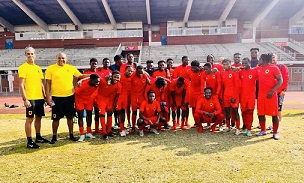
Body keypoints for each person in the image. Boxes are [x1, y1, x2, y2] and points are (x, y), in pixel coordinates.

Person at [45, 52, 89, 144]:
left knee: (70, 117)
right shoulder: (50, 69)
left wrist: (92, 75)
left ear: (66, 59)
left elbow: (81, 76)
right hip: (56, 98)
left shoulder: (71, 68)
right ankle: (54, 136)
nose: (61, 60)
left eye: (63, 58)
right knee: (56, 118)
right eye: (59, 58)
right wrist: (48, 97)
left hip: (69, 97)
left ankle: (71, 135)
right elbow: (48, 83)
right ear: (56, 59)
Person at [18, 46, 49, 148]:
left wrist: (45, 96)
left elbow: (41, 83)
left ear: (35, 55)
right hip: (30, 98)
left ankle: (38, 137)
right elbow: (21, 85)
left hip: (39, 97)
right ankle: (29, 141)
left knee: (39, 118)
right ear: (25, 55)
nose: (30, 55)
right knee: (30, 119)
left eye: (32, 54)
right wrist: (25, 99)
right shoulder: (23, 67)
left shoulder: (38, 68)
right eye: (28, 54)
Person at [256, 53, 282, 140]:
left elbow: (280, 80)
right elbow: (249, 71)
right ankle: (263, 130)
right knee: (261, 113)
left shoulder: (274, 68)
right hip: (261, 95)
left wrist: (273, 91)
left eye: (260, 59)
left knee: (274, 115)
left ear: (263, 59)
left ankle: (275, 132)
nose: (258, 60)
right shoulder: (258, 68)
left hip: (271, 95)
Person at [96, 70, 122, 140]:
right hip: (101, 98)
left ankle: (109, 131)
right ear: (111, 76)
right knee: (102, 114)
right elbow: (95, 78)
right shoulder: (105, 80)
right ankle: (104, 132)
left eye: (118, 77)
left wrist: (113, 107)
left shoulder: (119, 85)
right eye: (115, 77)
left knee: (110, 113)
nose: (116, 79)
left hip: (110, 100)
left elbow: (116, 97)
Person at [74, 74, 100, 141]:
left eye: (98, 82)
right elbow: (76, 94)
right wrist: (76, 105)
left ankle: (89, 132)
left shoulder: (97, 81)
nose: (97, 83)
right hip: (80, 99)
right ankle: (82, 134)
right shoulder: (82, 84)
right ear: (90, 80)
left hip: (89, 99)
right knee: (80, 116)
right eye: (96, 82)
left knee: (89, 115)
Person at [268, 53, 289, 132]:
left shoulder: (281, 67)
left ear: (276, 58)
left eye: (273, 57)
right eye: (270, 58)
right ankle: (274, 124)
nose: (272, 59)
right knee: (273, 109)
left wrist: (283, 90)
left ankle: (278, 125)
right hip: (272, 92)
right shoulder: (268, 67)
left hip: (279, 92)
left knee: (279, 109)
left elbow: (285, 78)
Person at [221, 59, 241, 135]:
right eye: (224, 64)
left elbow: (237, 86)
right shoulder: (222, 73)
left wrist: (235, 96)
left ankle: (238, 128)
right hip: (226, 94)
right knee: (227, 111)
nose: (225, 66)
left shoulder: (234, 71)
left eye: (226, 64)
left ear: (230, 64)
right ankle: (228, 127)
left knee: (235, 111)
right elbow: (222, 86)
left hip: (233, 95)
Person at [239, 58, 257, 137]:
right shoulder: (241, 72)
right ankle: (246, 127)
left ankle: (249, 129)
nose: (244, 64)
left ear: (250, 63)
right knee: (243, 112)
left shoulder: (254, 71)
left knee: (250, 112)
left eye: (246, 63)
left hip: (251, 96)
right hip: (243, 96)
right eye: (243, 63)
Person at [129, 65, 150, 134]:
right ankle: (133, 126)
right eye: (139, 72)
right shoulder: (133, 75)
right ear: (136, 71)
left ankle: (143, 126)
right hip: (134, 96)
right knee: (134, 112)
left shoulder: (145, 75)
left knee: (142, 112)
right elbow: (128, 78)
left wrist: (146, 75)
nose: (140, 74)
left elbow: (149, 80)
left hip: (142, 97)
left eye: (142, 72)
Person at [83, 58, 101, 134]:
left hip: (97, 97)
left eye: (95, 64)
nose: (94, 65)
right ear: (90, 64)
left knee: (97, 113)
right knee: (89, 113)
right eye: (93, 63)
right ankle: (88, 130)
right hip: (88, 97)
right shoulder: (86, 72)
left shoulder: (99, 72)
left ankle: (97, 128)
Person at [116, 65, 133, 136]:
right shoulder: (120, 76)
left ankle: (122, 128)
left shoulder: (133, 76)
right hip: (119, 97)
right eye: (128, 70)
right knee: (120, 112)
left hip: (126, 97)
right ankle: (121, 129)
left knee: (123, 112)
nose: (130, 72)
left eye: (131, 71)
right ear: (125, 70)